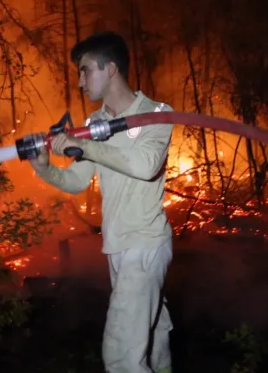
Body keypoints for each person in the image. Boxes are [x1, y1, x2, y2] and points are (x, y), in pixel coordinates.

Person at [29, 31, 174, 373]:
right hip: (119, 248)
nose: (80, 81)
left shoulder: (156, 112)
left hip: (145, 245)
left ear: (110, 69)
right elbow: (76, 182)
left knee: (122, 356)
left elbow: (145, 165)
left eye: (85, 70)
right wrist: (44, 169)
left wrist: (87, 146)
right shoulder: (96, 123)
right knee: (154, 340)